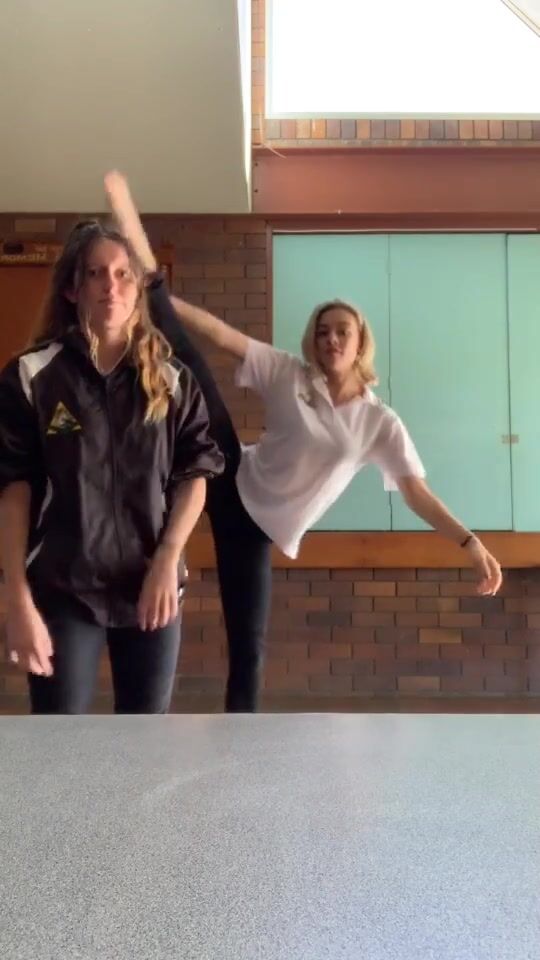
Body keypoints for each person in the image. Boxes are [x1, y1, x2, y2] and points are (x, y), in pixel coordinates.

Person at [105, 171, 503, 713]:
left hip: (258, 530)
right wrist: (167, 306)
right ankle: (145, 283)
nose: (331, 338)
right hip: (230, 475)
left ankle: (242, 740)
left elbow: (417, 494)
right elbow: (219, 335)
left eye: (342, 331)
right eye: (322, 331)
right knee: (193, 371)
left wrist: (470, 542)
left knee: (249, 648)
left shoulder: (378, 422)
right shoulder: (289, 373)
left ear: (360, 343)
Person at [0, 221, 224, 715]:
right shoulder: (31, 377)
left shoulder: (172, 380)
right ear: (72, 288)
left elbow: (195, 476)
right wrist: (16, 598)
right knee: (60, 742)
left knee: (145, 744)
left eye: (123, 273)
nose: (111, 285)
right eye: (96, 273)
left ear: (138, 288)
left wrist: (167, 558)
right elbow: (14, 492)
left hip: (151, 583)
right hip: (64, 590)